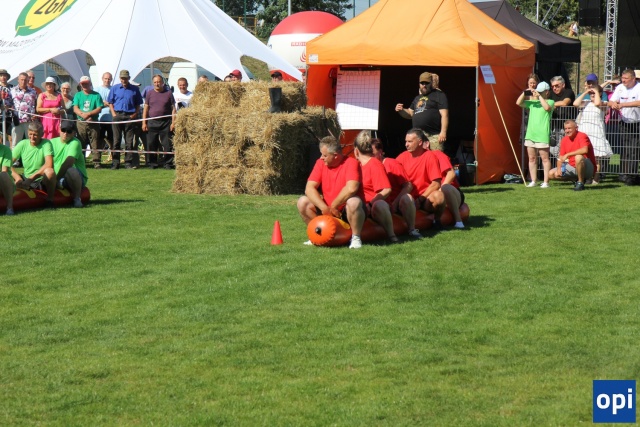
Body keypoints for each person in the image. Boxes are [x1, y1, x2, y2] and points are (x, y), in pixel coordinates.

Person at [297, 136, 365, 249]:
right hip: (328, 209)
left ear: (335, 155)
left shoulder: (351, 163)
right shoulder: (320, 163)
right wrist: (324, 208)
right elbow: (309, 188)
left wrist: (334, 206)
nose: (321, 158)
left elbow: (351, 188)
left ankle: (356, 237)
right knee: (302, 201)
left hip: (345, 209)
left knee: (353, 202)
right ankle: (316, 233)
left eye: (324, 155)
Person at [371, 138, 421, 238]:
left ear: (380, 152)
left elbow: (408, 185)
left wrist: (395, 203)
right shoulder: (367, 166)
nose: (370, 156)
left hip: (394, 203)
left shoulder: (392, 164)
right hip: (378, 204)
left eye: (372, 153)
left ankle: (412, 229)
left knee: (407, 197)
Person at [353, 130, 398, 243]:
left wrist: (370, 204)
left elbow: (386, 190)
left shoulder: (374, 164)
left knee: (379, 204)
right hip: (361, 206)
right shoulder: (356, 165)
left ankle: (392, 235)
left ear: (356, 151)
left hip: (374, 207)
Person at [396, 128, 446, 221]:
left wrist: (420, 199)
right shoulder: (401, 157)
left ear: (420, 142)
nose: (406, 144)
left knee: (439, 196)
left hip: (425, 198)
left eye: (410, 141)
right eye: (406, 141)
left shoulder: (429, 156)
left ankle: (437, 221)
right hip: (408, 198)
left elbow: (436, 183)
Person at [573, 73, 612, 183]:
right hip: (585, 132)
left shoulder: (602, 104)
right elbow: (575, 103)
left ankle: (596, 178)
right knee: (585, 156)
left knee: (597, 158)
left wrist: (596, 91)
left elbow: (598, 102)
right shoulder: (586, 103)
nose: (592, 95)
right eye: (591, 94)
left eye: (594, 94)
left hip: (596, 132)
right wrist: (586, 92)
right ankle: (586, 177)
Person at [395, 71, 449, 151]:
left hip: (433, 136)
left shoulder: (439, 95)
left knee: (434, 157)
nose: (424, 85)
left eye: (426, 83)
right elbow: (410, 113)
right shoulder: (417, 98)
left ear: (431, 83)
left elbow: (445, 115)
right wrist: (401, 110)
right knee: (418, 157)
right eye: (422, 83)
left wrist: (443, 132)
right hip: (418, 136)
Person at [517, 81, 555, 187]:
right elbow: (518, 103)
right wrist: (525, 93)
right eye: (538, 91)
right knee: (532, 158)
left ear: (547, 92)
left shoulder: (551, 102)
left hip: (542, 135)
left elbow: (547, 108)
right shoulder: (533, 103)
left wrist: (539, 97)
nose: (538, 93)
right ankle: (533, 180)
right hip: (531, 134)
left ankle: (546, 182)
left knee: (545, 159)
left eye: (541, 92)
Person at [11, 121, 56, 206]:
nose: (32, 137)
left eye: (35, 135)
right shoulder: (22, 144)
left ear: (42, 134)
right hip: (25, 178)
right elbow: (7, 163)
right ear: (27, 132)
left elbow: (49, 164)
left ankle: (50, 200)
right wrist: (17, 178)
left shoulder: (46, 143)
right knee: (4, 174)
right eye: (30, 134)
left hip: (40, 180)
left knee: (50, 172)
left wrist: (30, 179)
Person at [608, 68, 640, 185]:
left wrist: (623, 105)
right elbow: (611, 101)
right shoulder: (620, 87)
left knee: (634, 149)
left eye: (626, 78)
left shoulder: (638, 87)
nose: (623, 80)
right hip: (623, 122)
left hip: (637, 122)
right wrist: (613, 104)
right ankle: (624, 174)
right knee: (625, 148)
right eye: (622, 78)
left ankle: (632, 175)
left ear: (633, 79)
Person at [107, 70, 143, 169]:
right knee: (116, 140)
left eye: (125, 78)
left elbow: (138, 104)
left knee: (129, 141)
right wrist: (113, 114)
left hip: (129, 116)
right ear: (120, 78)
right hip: (117, 115)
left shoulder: (135, 89)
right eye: (122, 78)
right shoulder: (114, 88)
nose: (124, 80)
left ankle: (128, 163)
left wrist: (134, 114)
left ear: (129, 78)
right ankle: (115, 163)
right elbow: (110, 102)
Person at [548, 120, 597, 191]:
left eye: (569, 128)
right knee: (551, 174)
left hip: (587, 167)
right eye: (565, 129)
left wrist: (568, 154)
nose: (567, 131)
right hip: (572, 165)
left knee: (578, 157)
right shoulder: (564, 140)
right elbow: (560, 157)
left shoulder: (582, 136)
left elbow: (585, 150)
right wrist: (559, 169)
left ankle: (580, 182)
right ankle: (575, 179)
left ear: (576, 128)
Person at [427, 141, 465, 229]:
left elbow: (451, 174)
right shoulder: (412, 158)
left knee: (445, 188)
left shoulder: (437, 154)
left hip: (450, 191)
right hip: (433, 194)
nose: (406, 144)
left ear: (426, 144)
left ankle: (458, 221)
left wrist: (440, 190)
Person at [50, 120, 87, 208]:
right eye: (63, 130)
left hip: (73, 178)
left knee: (70, 170)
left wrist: (56, 179)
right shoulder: (51, 142)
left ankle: (77, 199)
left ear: (74, 133)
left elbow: (68, 163)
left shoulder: (75, 143)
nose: (65, 133)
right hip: (56, 177)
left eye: (69, 131)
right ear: (59, 129)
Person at [142, 74, 176, 169]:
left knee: (167, 144)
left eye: (159, 82)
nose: (157, 84)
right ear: (153, 83)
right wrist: (144, 123)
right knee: (151, 143)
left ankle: (168, 163)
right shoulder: (149, 93)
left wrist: (173, 122)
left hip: (166, 123)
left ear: (162, 83)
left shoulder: (168, 93)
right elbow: (146, 108)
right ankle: (152, 163)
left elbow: (173, 109)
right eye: (155, 82)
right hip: (152, 122)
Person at [73, 76, 104, 169]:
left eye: (86, 83)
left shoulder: (96, 95)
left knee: (95, 142)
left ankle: (96, 162)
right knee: (81, 142)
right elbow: (75, 108)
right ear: (80, 85)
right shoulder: (78, 95)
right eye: (83, 84)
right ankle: (81, 161)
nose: (85, 85)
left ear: (90, 84)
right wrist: (83, 115)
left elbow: (99, 108)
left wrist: (89, 114)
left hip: (93, 122)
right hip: (81, 122)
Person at [10, 72, 38, 148]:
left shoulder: (33, 91)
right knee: (16, 143)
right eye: (22, 79)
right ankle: (15, 156)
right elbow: (8, 104)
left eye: (25, 80)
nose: (23, 81)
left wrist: (35, 114)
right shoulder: (12, 91)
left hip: (30, 121)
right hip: (17, 121)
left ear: (28, 80)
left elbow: (36, 105)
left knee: (31, 142)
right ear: (18, 80)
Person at [96, 72, 113, 167]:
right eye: (105, 78)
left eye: (109, 79)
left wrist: (109, 104)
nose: (107, 80)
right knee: (99, 141)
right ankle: (97, 161)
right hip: (100, 119)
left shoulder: (113, 89)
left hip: (111, 119)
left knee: (112, 141)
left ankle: (115, 160)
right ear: (102, 79)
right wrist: (103, 103)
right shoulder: (97, 90)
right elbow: (95, 102)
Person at [0, 69, 15, 146]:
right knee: (0, 138)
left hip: (10, 115)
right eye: (1, 76)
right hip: (0, 115)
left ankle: (12, 152)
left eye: (4, 75)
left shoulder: (12, 87)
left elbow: (15, 99)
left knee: (11, 136)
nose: (3, 77)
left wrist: (9, 106)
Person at [0, 143, 14, 215]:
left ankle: (9, 208)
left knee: (3, 174)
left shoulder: (5, 150)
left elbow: (4, 170)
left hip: (3, 183)